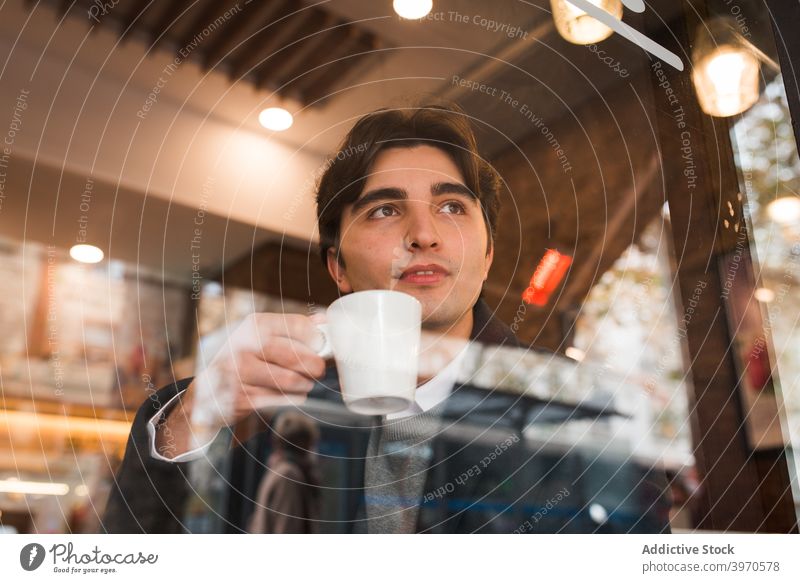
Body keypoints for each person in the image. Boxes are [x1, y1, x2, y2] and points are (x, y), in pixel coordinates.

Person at [102, 102, 671, 533]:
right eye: (384, 209)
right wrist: (195, 419)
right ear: (339, 267)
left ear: (488, 252)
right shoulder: (266, 407)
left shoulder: (575, 414)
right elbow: (129, 554)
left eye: (452, 207)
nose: (423, 234)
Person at [247, 411, 321, 534]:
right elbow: (286, 527)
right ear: (303, 443)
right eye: (312, 443)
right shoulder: (289, 475)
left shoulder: (277, 471)